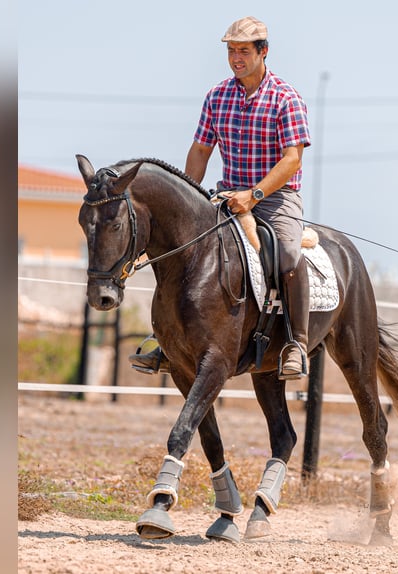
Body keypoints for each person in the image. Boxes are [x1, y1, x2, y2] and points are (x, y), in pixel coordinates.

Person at [130, 15, 311, 380]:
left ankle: (297, 343)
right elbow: (200, 151)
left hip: (275, 197)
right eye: (231, 51)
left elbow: (292, 159)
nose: (236, 58)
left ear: (264, 52)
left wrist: (255, 193)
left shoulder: (286, 98)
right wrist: (187, 197)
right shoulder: (217, 96)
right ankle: (165, 340)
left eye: (243, 51)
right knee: (182, 251)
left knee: (289, 255)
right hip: (226, 194)